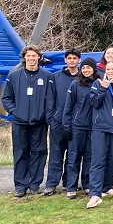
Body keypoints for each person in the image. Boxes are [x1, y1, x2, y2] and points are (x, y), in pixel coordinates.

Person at [1, 44, 55, 197]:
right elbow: (6, 98)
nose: (31, 59)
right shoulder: (14, 76)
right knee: (20, 153)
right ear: (24, 58)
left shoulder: (47, 76)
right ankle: (20, 185)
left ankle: (35, 183)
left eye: (34, 56)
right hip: (20, 122)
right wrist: (16, 112)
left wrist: (45, 115)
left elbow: (50, 99)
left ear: (39, 57)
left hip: (39, 122)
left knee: (39, 152)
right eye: (28, 56)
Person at [86, 61, 113, 209]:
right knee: (98, 160)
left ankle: (106, 186)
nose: (110, 71)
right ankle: (95, 193)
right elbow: (95, 103)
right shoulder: (97, 85)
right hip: (100, 129)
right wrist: (103, 89)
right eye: (108, 69)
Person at [43, 48, 80, 196]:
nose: (72, 60)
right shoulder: (55, 77)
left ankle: (68, 182)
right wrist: (51, 118)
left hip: (75, 123)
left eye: (74, 58)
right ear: (65, 60)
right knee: (56, 154)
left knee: (73, 155)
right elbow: (50, 99)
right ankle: (51, 183)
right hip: (58, 122)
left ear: (78, 60)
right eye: (69, 58)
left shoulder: (82, 78)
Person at [63, 57, 99, 199]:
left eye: (88, 67)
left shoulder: (98, 84)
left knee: (89, 158)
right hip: (77, 126)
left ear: (93, 69)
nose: (86, 70)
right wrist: (66, 126)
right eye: (83, 67)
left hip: (93, 127)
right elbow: (68, 107)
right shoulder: (75, 84)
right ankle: (71, 186)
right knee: (74, 157)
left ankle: (88, 184)